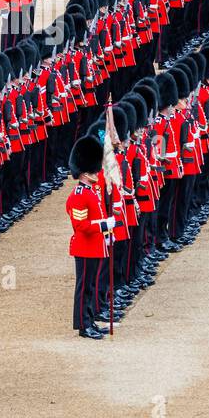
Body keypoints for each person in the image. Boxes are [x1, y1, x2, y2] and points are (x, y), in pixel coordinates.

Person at [66, 135, 117, 338]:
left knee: (91, 286)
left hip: (95, 245)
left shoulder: (91, 191)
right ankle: (82, 325)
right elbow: (81, 226)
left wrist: (107, 233)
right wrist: (104, 225)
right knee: (84, 287)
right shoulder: (79, 195)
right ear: (85, 172)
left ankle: (90, 320)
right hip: (85, 247)